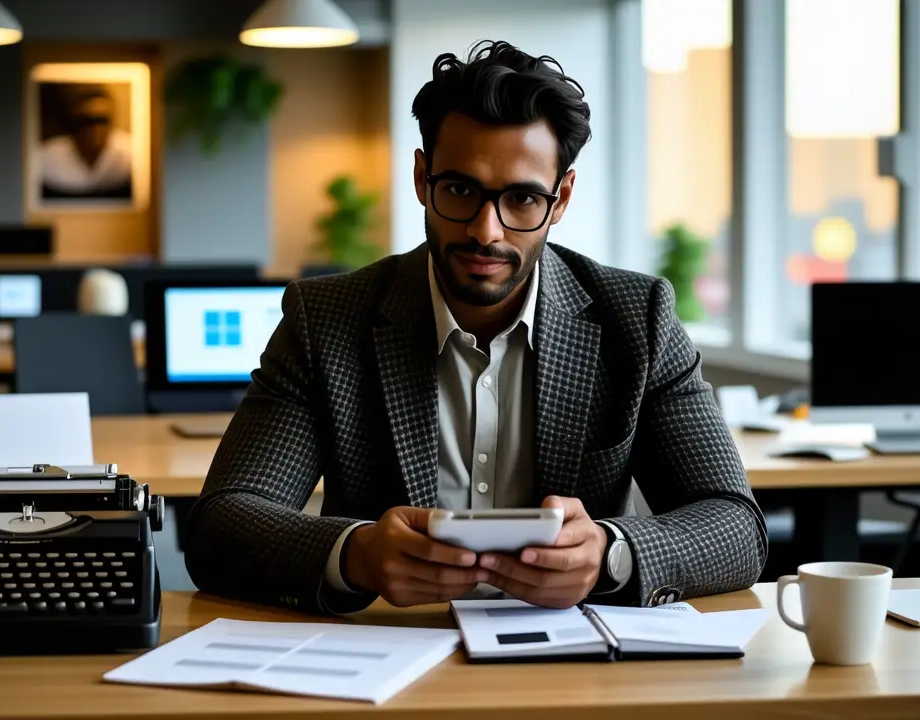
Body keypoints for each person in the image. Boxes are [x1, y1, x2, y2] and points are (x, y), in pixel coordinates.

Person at [185, 40, 767, 616]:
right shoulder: (328, 320)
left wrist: (610, 555)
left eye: (521, 199)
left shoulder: (636, 318)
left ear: (561, 197)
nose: (487, 231)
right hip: (385, 660)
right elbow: (223, 522)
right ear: (422, 177)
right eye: (460, 189)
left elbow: (736, 526)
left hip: (577, 668)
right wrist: (357, 554)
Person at [38, 86, 132, 199]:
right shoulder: (46, 155)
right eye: (87, 121)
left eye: (102, 120)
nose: (95, 128)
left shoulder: (133, 152)